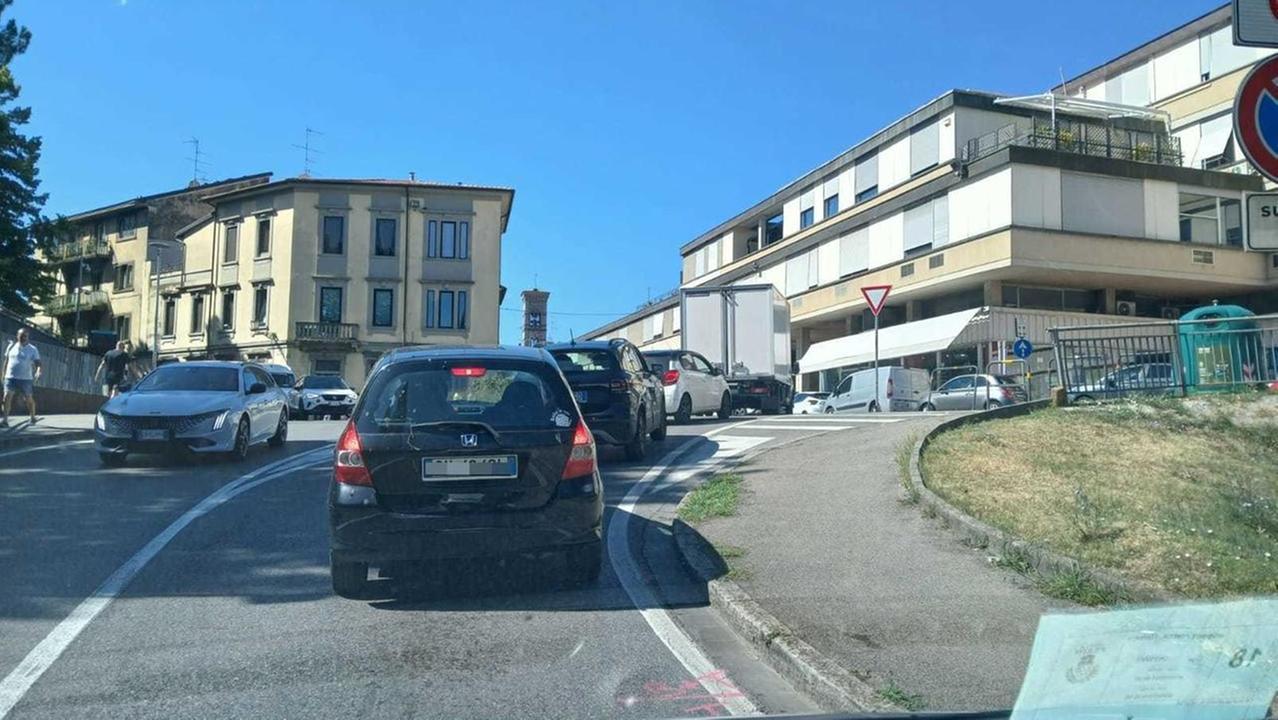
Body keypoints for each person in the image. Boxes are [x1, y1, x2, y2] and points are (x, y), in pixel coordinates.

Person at [1, 328, 42, 427]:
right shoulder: (11, 346)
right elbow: (6, 361)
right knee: (6, 397)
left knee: (28, 398)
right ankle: (5, 420)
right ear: (17, 336)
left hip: (25, 379)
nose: (23, 338)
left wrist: (38, 371)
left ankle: (32, 417)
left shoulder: (32, 349)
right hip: (10, 377)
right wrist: (3, 373)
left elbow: (38, 363)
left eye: (25, 336)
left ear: (28, 337)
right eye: (21, 335)